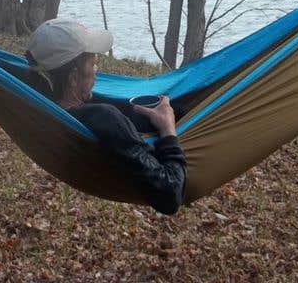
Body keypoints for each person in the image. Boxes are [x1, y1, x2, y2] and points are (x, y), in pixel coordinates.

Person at [26, 18, 186, 215]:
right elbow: (169, 195)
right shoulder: (105, 118)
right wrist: (168, 130)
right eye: (93, 64)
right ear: (73, 77)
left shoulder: (35, 104)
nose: (96, 71)